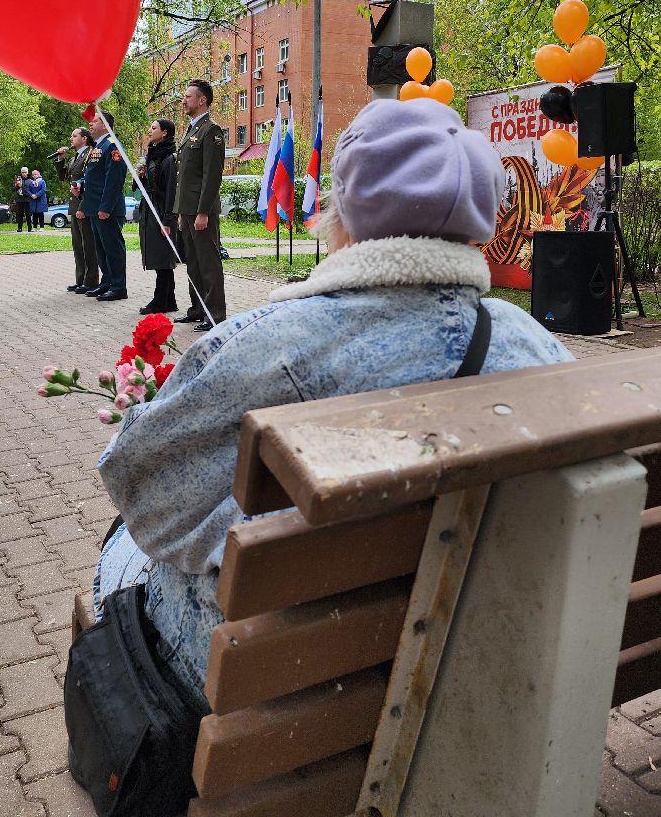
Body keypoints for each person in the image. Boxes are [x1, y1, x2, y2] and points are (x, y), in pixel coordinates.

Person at [93, 98, 575, 713]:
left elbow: (143, 493)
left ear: (342, 216)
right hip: (473, 647)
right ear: (479, 220)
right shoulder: (537, 345)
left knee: (123, 546)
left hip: (299, 676)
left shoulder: (267, 342)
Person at [173, 79, 226, 332]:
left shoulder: (211, 130)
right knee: (193, 263)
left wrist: (203, 211)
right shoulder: (191, 129)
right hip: (188, 209)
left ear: (202, 100)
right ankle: (197, 308)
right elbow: (184, 176)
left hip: (201, 210)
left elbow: (211, 176)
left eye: (188, 96)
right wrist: (181, 211)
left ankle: (215, 314)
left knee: (208, 263)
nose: (184, 100)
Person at [76, 109, 127, 302]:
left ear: (105, 125)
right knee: (101, 249)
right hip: (95, 207)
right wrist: (80, 185)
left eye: (95, 121)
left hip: (107, 209)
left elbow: (114, 179)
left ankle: (118, 287)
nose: (90, 124)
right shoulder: (98, 146)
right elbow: (95, 176)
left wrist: (105, 207)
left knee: (113, 249)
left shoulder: (112, 145)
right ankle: (107, 282)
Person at [138, 118, 178, 314]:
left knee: (163, 258)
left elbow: (171, 190)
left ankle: (160, 301)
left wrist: (168, 220)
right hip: (151, 210)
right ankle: (169, 300)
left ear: (164, 133)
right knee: (160, 258)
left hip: (161, 212)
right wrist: (142, 176)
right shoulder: (153, 155)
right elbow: (151, 185)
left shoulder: (169, 158)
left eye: (154, 128)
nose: (149, 130)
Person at [54, 127, 100, 293]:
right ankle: (80, 279)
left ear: (84, 138)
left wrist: (83, 207)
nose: (71, 138)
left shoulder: (90, 154)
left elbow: (90, 182)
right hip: (75, 205)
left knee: (88, 244)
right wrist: (60, 160)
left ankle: (91, 280)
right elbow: (64, 178)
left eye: (74, 136)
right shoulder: (76, 156)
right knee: (78, 245)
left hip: (84, 205)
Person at [14, 167, 32, 232]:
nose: (24, 173)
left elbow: (32, 189)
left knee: (28, 214)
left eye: (25, 172)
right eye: (22, 172)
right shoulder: (18, 180)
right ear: (21, 173)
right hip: (20, 199)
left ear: (27, 173)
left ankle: (30, 227)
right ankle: (19, 228)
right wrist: (18, 186)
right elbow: (13, 189)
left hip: (28, 199)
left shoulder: (30, 180)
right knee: (20, 214)